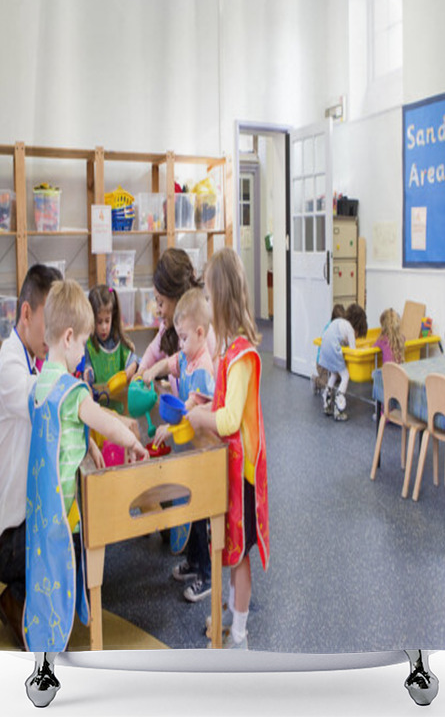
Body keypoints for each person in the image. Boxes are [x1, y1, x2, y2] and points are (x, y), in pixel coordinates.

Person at [23, 279, 149, 653]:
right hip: (63, 510)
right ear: (66, 338)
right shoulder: (73, 391)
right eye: (81, 343)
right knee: (62, 570)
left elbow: (58, 435)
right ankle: (51, 652)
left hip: (42, 505)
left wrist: (84, 449)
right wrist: (131, 440)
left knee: (43, 571)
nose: (84, 353)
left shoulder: (39, 385)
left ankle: (45, 631)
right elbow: (102, 420)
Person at [186, 247, 269, 650]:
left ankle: (240, 633)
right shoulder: (229, 350)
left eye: (207, 295)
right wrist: (204, 401)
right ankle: (226, 617)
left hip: (244, 477)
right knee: (227, 546)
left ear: (221, 298)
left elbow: (229, 420)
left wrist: (203, 418)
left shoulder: (241, 357)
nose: (205, 303)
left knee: (238, 555)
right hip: (230, 469)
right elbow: (223, 405)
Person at [0, 263, 62, 649]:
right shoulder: (8, 369)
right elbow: (44, 395)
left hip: (23, 518)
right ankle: (16, 596)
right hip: (6, 538)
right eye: (52, 321)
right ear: (26, 314)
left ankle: (29, 594)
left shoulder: (31, 359)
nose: (56, 334)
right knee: (67, 537)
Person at [137, 248, 217, 602]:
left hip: (205, 441)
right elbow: (168, 358)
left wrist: (172, 424)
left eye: (160, 300)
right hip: (191, 439)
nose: (180, 343)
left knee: (201, 506)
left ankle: (206, 573)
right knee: (190, 499)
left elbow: (197, 402)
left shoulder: (203, 355)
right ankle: (193, 560)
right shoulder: (187, 341)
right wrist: (151, 371)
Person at [145, 287, 215, 411]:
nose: (180, 344)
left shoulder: (202, 368)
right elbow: (168, 364)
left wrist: (171, 413)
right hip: (187, 420)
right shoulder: (187, 355)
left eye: (184, 338)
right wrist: (152, 371)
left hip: (196, 425)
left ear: (199, 333)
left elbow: (191, 405)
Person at [318, 303, 368, 421]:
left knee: (334, 374)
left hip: (324, 347)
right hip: (333, 348)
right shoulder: (350, 329)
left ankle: (327, 402)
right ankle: (338, 408)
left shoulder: (340, 322)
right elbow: (353, 351)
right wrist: (364, 349)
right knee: (345, 376)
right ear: (358, 325)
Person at [83, 285, 139, 389]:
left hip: (119, 403)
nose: (104, 327)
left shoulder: (119, 340)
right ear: (91, 318)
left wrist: (133, 365)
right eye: (99, 322)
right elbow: (87, 369)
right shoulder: (88, 344)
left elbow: (136, 360)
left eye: (107, 321)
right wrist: (87, 374)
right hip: (97, 403)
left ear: (113, 317)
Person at [311, 303, 346, 396]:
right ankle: (316, 380)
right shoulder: (329, 329)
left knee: (337, 379)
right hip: (323, 364)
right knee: (327, 382)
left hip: (333, 360)